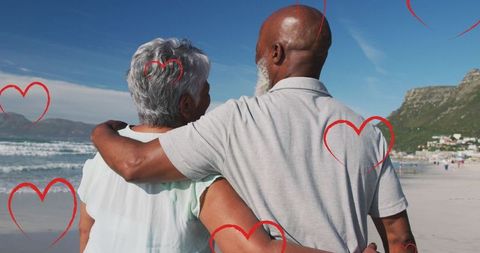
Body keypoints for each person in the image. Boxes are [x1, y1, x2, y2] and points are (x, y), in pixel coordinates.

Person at [91, 5, 416, 253]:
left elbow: (135, 163)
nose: (255, 58)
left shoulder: (236, 119)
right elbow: (399, 238)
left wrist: (100, 133)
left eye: (257, 50)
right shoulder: (367, 132)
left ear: (276, 53)